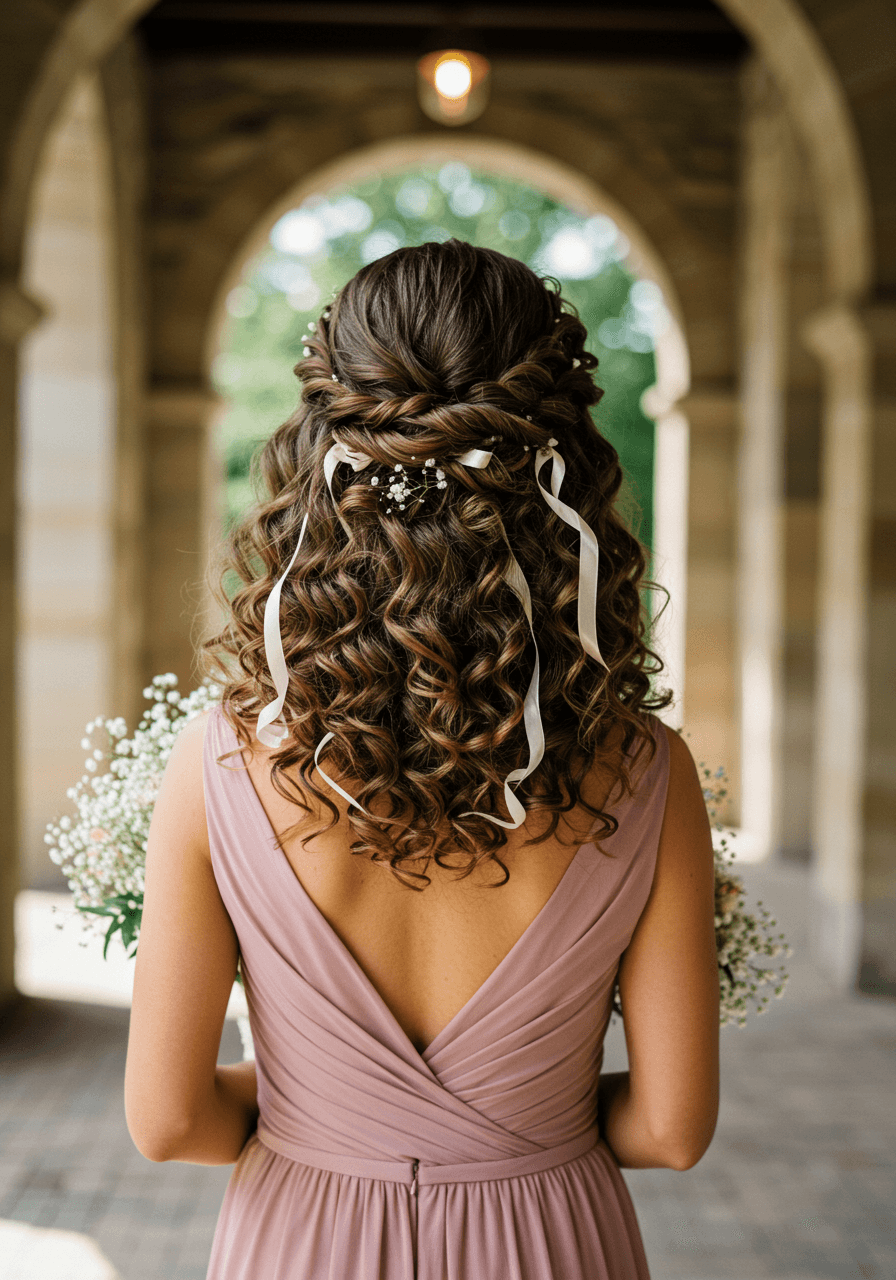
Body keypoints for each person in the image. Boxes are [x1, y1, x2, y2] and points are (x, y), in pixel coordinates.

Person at [124, 240, 719, 1279]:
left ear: (323, 454)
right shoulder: (646, 770)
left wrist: (328, 1112)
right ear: (560, 469)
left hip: (303, 1236)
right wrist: (518, 1125)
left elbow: (168, 1121)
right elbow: (670, 1129)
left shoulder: (220, 760)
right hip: (547, 1239)